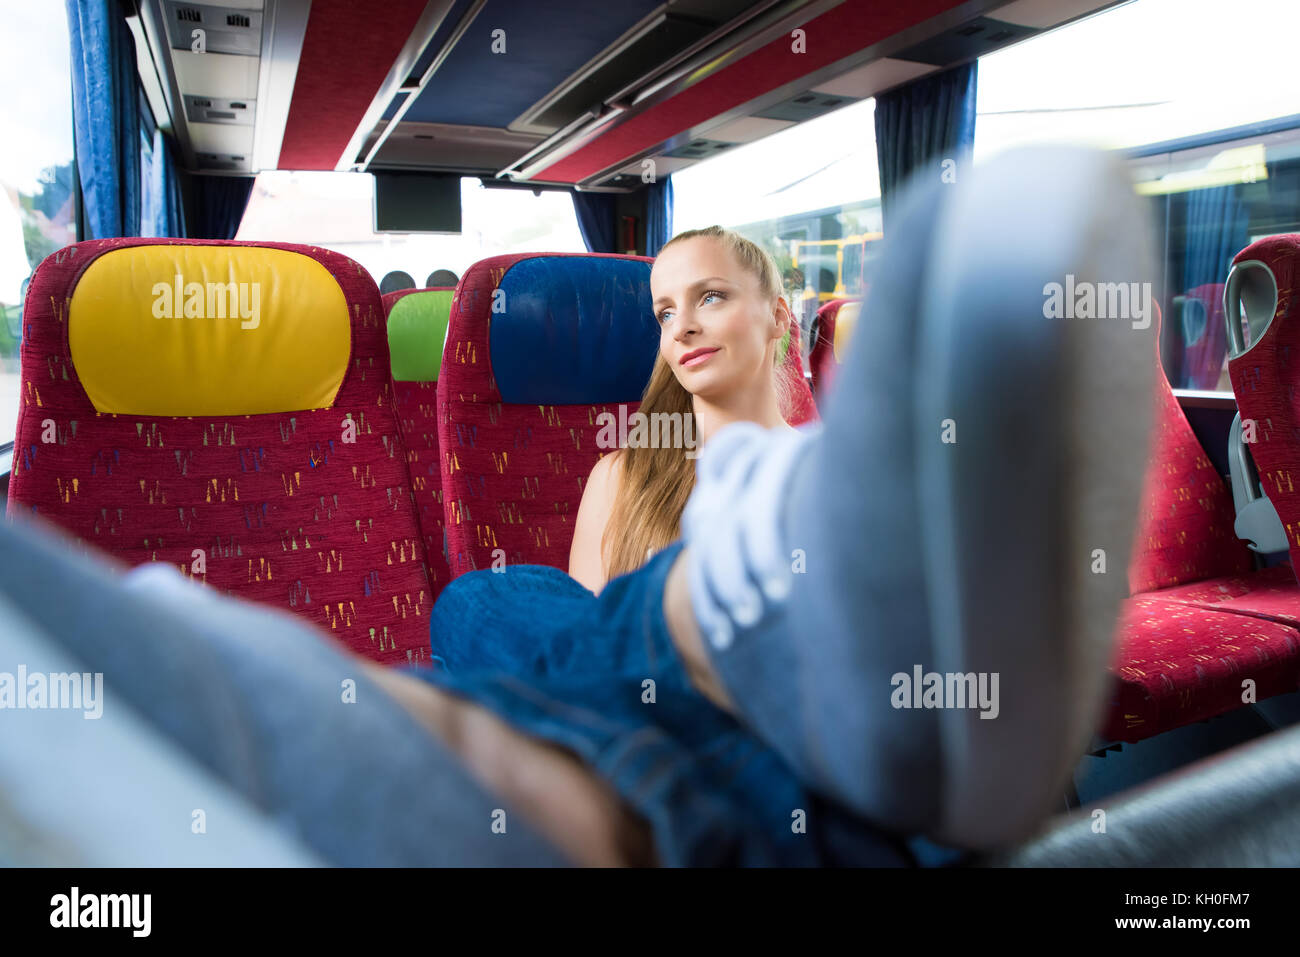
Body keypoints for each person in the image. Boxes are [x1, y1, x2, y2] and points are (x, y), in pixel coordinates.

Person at [0, 145, 1156, 867]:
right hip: (660, 693)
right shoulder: (626, 467)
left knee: (501, 612)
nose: (682, 327)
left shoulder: (825, 435)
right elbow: (600, 671)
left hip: (620, 713)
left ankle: (759, 645)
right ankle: (763, 628)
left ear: (772, 312)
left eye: (709, 297)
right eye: (661, 311)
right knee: (504, 603)